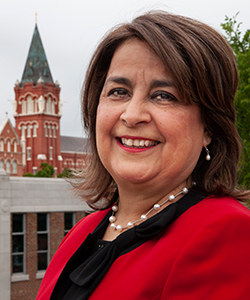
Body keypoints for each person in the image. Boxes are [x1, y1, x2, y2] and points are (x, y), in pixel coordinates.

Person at [36, 11, 250, 300]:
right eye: (119, 91)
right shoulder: (83, 232)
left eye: (164, 95)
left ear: (209, 126)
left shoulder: (226, 233)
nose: (132, 115)